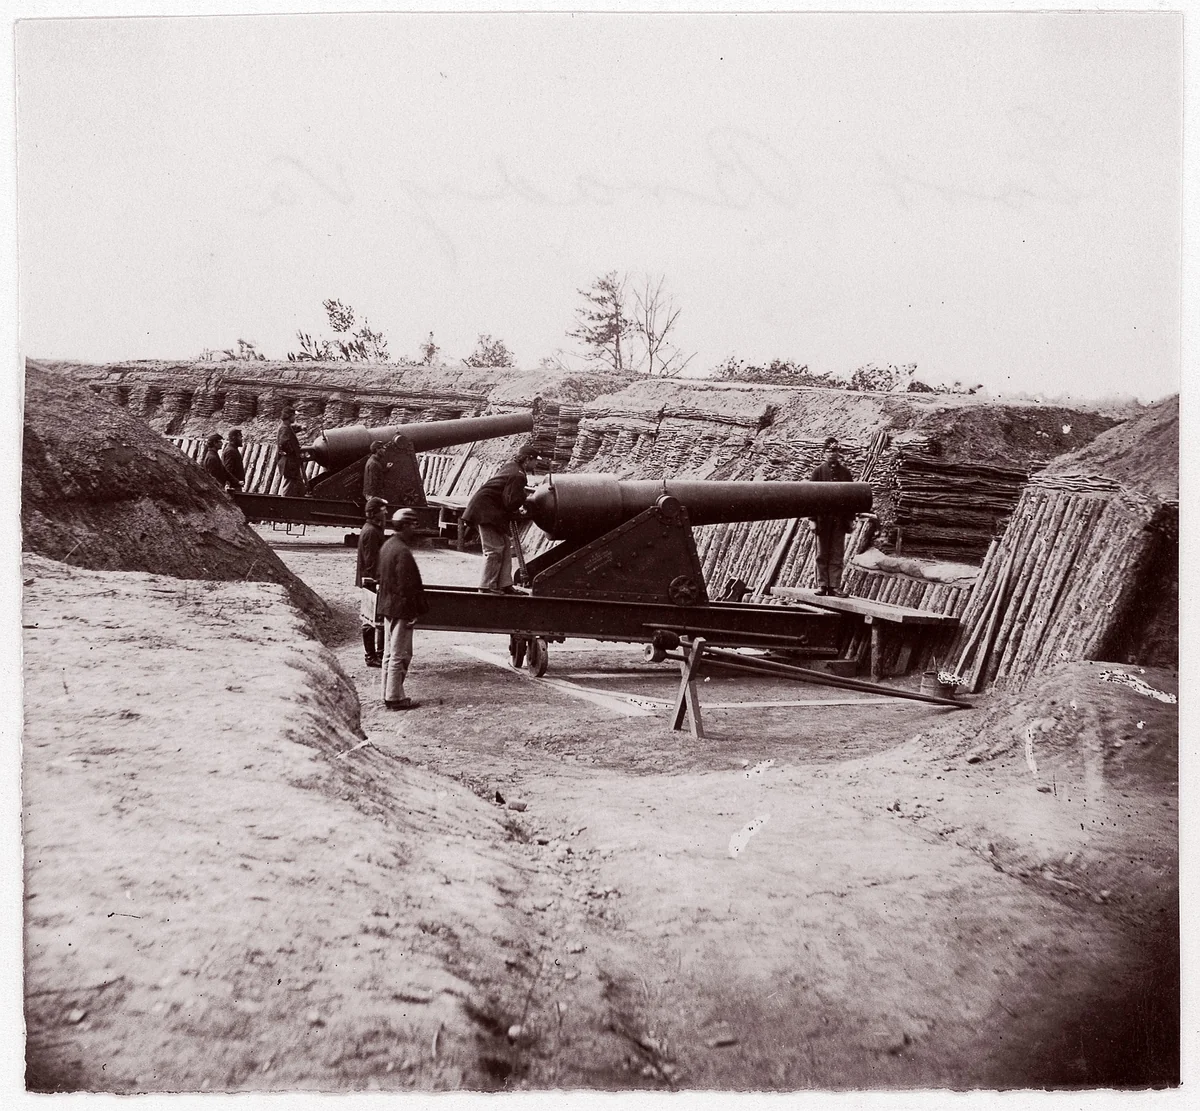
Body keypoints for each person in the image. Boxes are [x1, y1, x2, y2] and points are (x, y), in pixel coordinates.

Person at [462, 444, 541, 594]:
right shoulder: (518, 475)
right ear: (527, 460)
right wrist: (525, 501)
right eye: (535, 460)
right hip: (486, 512)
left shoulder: (512, 466)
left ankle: (505, 584)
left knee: (504, 545)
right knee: (493, 549)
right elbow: (510, 502)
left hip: (487, 509)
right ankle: (487, 587)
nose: (536, 464)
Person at [377, 508, 428, 710]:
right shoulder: (403, 552)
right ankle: (394, 697)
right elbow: (408, 586)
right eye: (413, 525)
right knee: (400, 654)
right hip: (401, 609)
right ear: (405, 526)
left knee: (389, 654)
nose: (415, 529)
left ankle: (387, 693)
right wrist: (414, 612)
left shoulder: (388, 546)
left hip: (388, 606)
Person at [807, 436, 856, 597]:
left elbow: (851, 498)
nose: (832, 454)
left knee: (837, 553)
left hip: (839, 520)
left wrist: (850, 519)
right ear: (823, 453)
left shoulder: (845, 473)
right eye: (829, 451)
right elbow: (810, 499)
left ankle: (834, 586)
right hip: (823, 520)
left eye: (835, 451)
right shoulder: (818, 472)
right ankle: (822, 585)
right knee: (822, 554)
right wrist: (812, 520)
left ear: (838, 453)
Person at [355, 497, 389, 668]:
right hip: (372, 581)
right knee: (371, 619)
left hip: (372, 580)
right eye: (383, 510)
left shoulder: (373, 529)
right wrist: (376, 582)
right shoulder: (371, 532)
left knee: (375, 618)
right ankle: (372, 656)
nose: (387, 513)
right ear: (375, 513)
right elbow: (370, 562)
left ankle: (378, 655)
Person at [275, 404, 309, 498]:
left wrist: (301, 427)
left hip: (290, 462)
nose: (295, 417)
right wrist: (294, 451)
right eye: (294, 416)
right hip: (289, 462)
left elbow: (292, 429)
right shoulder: (284, 428)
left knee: (298, 485)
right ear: (289, 416)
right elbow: (284, 443)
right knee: (289, 484)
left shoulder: (286, 427)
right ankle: (283, 503)